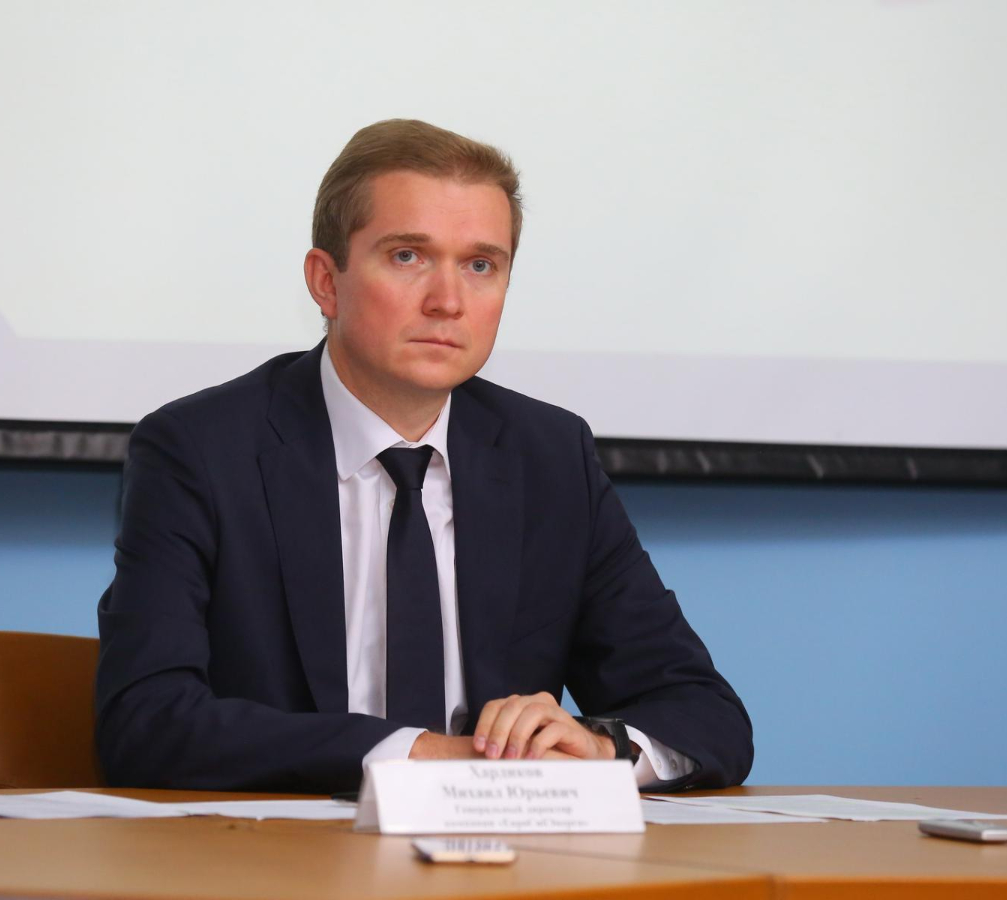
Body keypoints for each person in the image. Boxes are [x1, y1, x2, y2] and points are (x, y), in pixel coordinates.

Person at [95, 119, 752, 793]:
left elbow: (706, 714)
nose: (448, 302)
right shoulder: (200, 450)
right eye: (408, 256)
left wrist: (599, 749)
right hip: (281, 849)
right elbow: (145, 721)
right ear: (325, 282)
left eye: (480, 266)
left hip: (503, 852)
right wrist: (426, 756)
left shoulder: (549, 457)